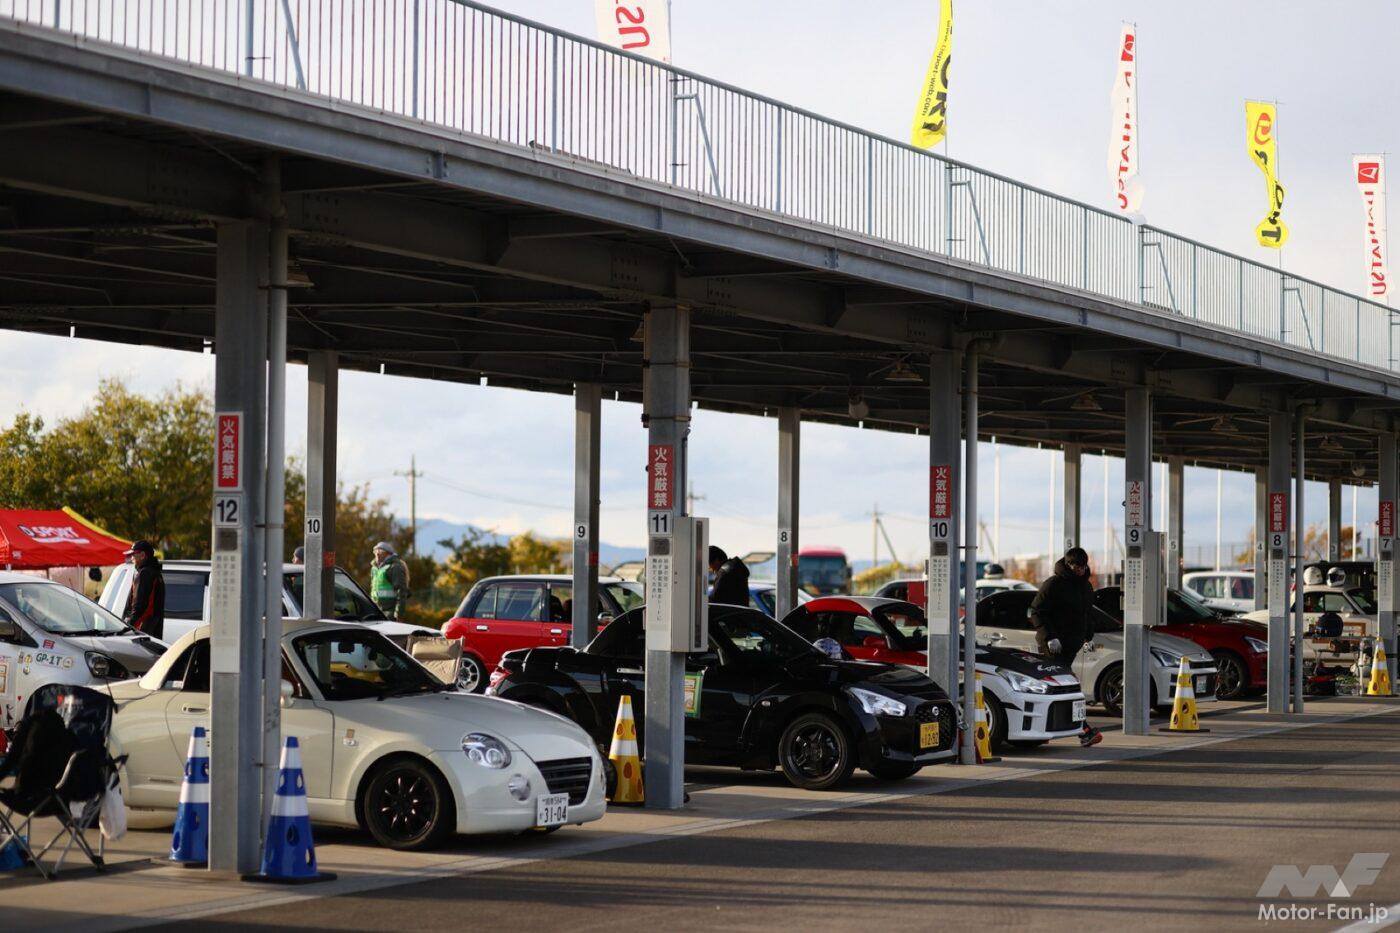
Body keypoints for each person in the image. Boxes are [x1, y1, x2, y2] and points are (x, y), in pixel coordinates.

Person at [1030, 546, 1102, 747]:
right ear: (1068, 564)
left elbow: (1088, 614)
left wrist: (1088, 634)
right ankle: (1084, 731)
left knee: (1056, 688)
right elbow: (1036, 611)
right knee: (1065, 687)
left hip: (1072, 645)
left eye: (1082, 566)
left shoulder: (1086, 586)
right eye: (1075, 566)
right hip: (1053, 646)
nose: (1079, 569)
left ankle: (1042, 730)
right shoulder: (1053, 584)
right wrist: (1050, 637)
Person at [121, 539, 165, 641]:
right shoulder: (155, 572)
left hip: (141, 630)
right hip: (152, 631)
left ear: (142, 555)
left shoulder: (145, 573)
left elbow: (139, 605)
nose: (131, 557)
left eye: (133, 554)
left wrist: (129, 627)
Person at [369, 541, 411, 619]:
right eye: (375, 551)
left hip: (390, 613)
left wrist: (398, 614)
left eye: (381, 551)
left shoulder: (395, 567)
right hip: (376, 612)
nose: (377, 554)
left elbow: (401, 592)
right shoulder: (374, 569)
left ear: (388, 554)